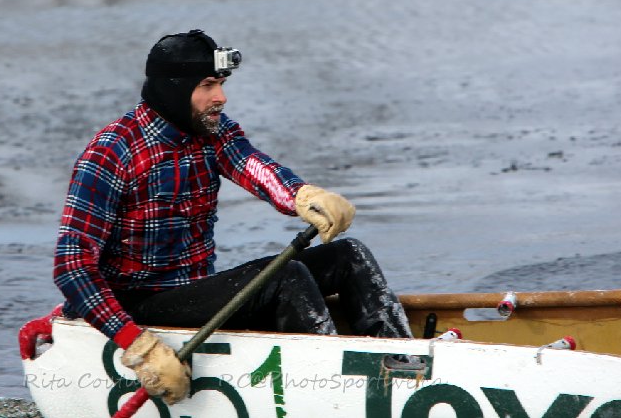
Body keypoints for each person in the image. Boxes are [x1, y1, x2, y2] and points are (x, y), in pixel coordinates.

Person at [53, 29, 411, 406]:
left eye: (221, 84)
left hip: (192, 294)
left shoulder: (211, 131)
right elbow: (71, 268)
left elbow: (251, 164)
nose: (220, 97)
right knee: (285, 278)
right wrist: (140, 347)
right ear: (174, 89)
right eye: (208, 85)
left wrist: (303, 196)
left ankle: (405, 369)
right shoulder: (111, 154)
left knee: (348, 256)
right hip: (137, 306)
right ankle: (333, 396)